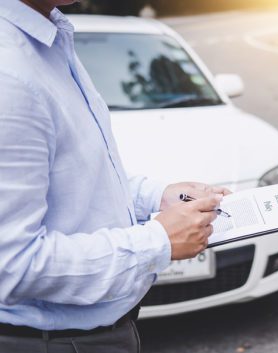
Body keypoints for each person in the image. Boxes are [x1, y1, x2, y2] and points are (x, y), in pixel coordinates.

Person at [0, 1, 229, 352]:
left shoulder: (51, 37)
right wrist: (159, 241)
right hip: (57, 343)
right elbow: (11, 265)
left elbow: (75, 176)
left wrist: (157, 196)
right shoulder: (10, 74)